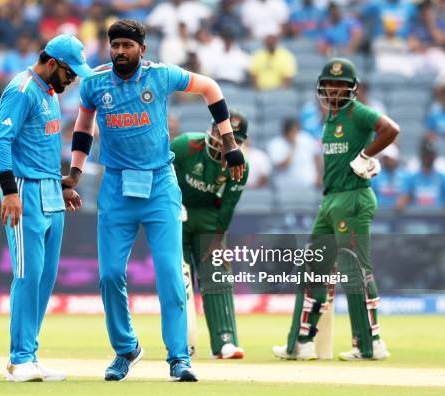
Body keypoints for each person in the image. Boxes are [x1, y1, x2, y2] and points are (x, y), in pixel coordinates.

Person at [63, 19, 246, 382]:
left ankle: (179, 358)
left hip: (160, 185)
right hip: (115, 188)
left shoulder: (160, 75)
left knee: (169, 275)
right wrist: (74, 175)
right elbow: (84, 128)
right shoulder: (96, 82)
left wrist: (229, 142)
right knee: (110, 274)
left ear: (141, 50)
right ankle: (125, 349)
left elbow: (209, 87)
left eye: (127, 46)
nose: (119, 51)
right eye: (114, 45)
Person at [272, 58, 400, 361]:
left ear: (351, 88)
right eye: (329, 84)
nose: (334, 89)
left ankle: (370, 344)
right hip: (330, 201)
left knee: (355, 270)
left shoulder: (357, 112)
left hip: (353, 199)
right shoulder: (330, 117)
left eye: (340, 85)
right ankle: (300, 342)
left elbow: (390, 129)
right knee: (313, 267)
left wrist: (367, 155)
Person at [0, 34, 91, 382]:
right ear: (52, 64)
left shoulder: (49, 92)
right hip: (23, 191)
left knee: (45, 278)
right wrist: (8, 192)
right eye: (69, 72)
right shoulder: (21, 90)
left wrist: (60, 185)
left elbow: (42, 146)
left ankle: (30, 355)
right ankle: (18, 360)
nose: (73, 79)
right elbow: (0, 141)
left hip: (49, 190)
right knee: (27, 274)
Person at [171, 110, 249, 359]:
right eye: (222, 134)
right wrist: (170, 205)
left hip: (209, 222)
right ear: (212, 130)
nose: (225, 142)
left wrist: (217, 242)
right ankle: (180, 342)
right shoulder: (185, 146)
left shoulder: (240, 166)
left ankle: (225, 342)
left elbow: (228, 206)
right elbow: (162, 174)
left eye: (233, 139)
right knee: (177, 278)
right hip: (176, 215)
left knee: (217, 275)